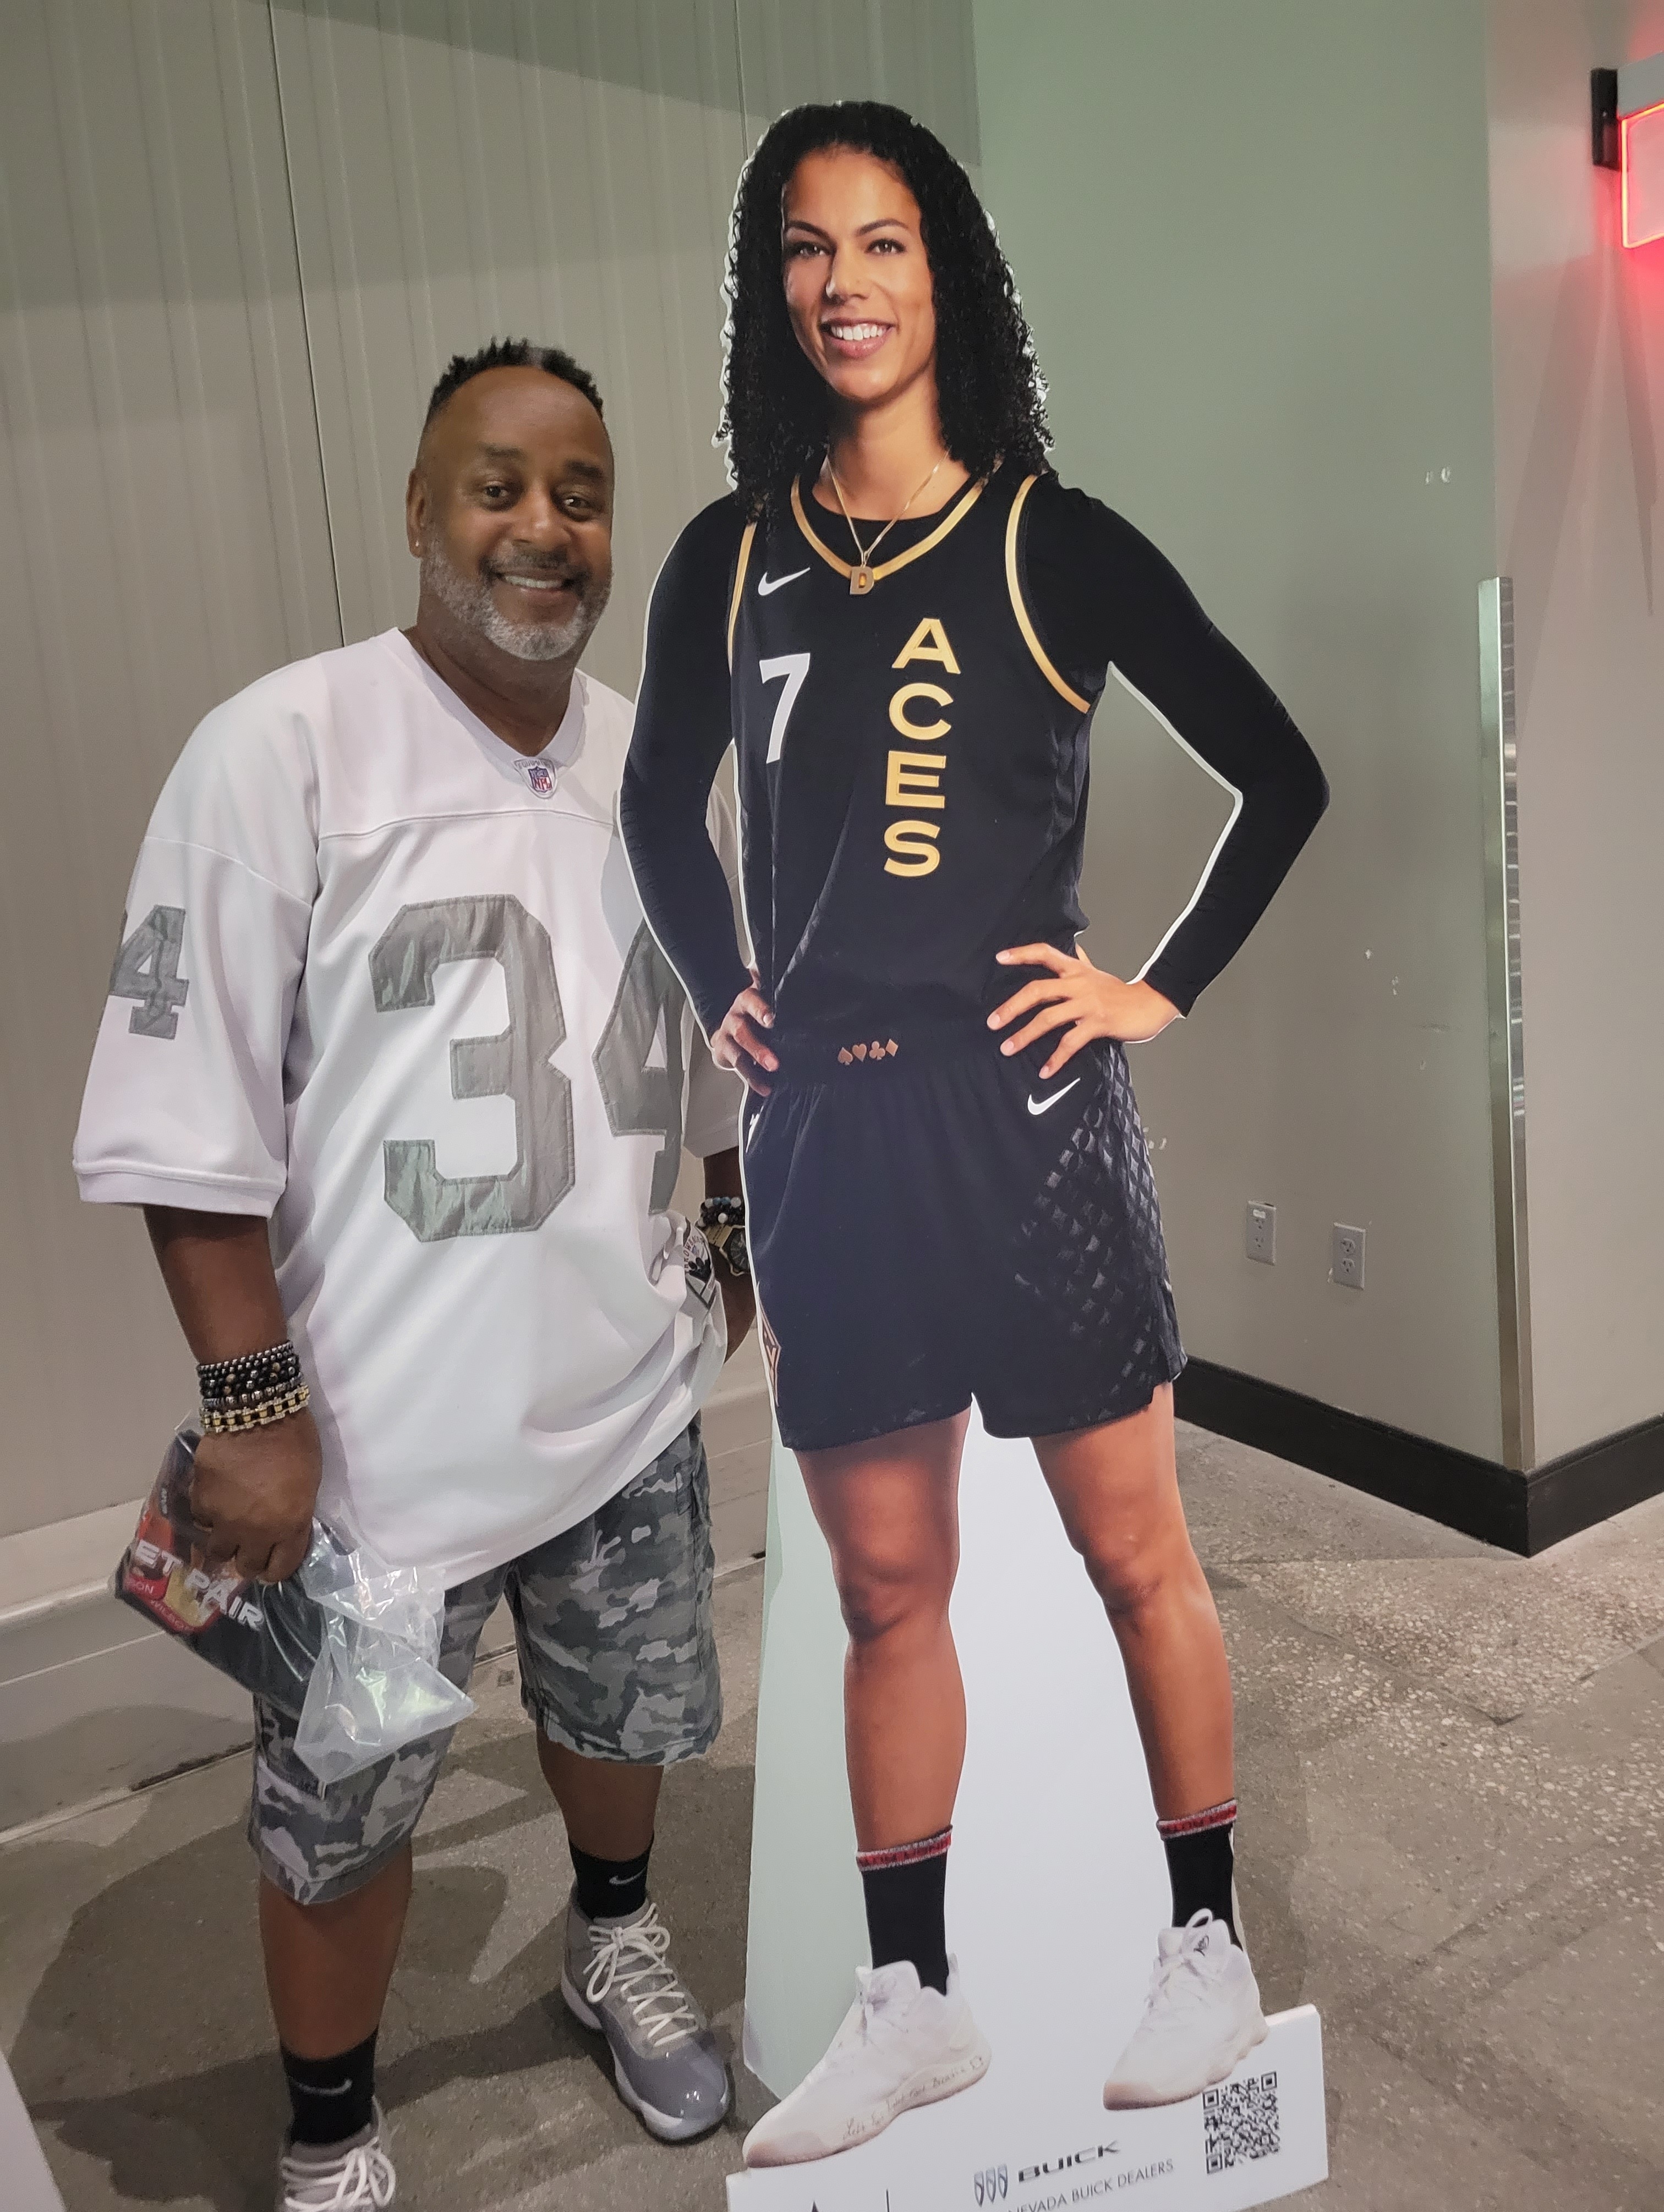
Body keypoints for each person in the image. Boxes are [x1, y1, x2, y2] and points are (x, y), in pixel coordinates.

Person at [620, 106, 1328, 2166]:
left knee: (1135, 1551)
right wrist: (719, 978)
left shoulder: (1053, 541)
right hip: (830, 1142)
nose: (845, 282)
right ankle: (913, 2002)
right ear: (771, 285)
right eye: (808, 246)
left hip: (1029, 1129)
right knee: (882, 1584)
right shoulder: (727, 556)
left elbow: (1278, 772)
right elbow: (660, 804)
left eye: (885, 242)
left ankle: (1204, 1941)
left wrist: (1150, 991)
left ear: (949, 276)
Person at [74, 339, 754, 2210]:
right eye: (498, 485)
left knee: (622, 1722)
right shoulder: (279, 748)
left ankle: (610, 1939)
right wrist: (252, 1408)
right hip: (377, 1456)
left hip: (621, 1402)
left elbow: (709, 1037)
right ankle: (332, 2134)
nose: (543, 527)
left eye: (581, 495)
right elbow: (186, 1120)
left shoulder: (656, 763)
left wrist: (727, 1226)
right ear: (419, 510)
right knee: (344, 1817)